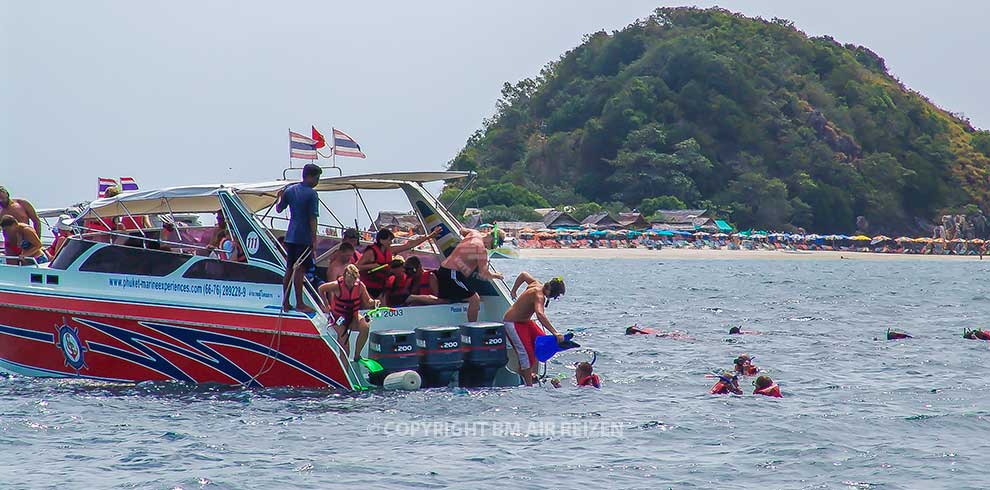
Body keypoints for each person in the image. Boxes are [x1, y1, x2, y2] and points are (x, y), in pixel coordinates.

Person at [503, 273, 566, 386]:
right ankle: (528, 385)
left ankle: (528, 372)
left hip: (525, 322)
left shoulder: (536, 283)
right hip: (512, 322)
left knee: (541, 342)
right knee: (526, 355)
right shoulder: (539, 296)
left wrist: (513, 291)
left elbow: (523, 275)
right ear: (551, 291)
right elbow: (540, 315)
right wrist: (555, 332)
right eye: (555, 296)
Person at [275, 163, 322, 313]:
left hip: (291, 235)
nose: (317, 181)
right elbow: (312, 218)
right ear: (310, 176)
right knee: (300, 269)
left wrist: (279, 197)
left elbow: (279, 208)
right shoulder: (312, 194)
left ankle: (285, 302)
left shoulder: (289, 190)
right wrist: (314, 240)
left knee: (289, 269)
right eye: (317, 177)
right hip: (303, 237)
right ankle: (300, 303)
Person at [437, 227, 505, 322]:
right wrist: (497, 275)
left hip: (443, 269)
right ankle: (472, 328)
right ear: (491, 238)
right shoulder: (481, 250)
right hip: (453, 273)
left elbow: (461, 230)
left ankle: (411, 298)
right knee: (475, 299)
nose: (494, 248)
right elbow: (483, 274)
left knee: (442, 300)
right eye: (495, 245)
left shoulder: (474, 233)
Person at [356, 227, 440, 299]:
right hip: (368, 287)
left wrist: (429, 236)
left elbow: (409, 245)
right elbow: (356, 267)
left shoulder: (390, 250)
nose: (391, 242)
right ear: (381, 240)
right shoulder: (371, 253)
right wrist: (372, 266)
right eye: (389, 240)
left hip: (381, 287)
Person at [318, 264, 377, 361]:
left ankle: (357, 355)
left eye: (353, 282)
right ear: (344, 277)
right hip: (338, 318)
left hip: (353, 315)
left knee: (365, 327)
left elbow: (368, 302)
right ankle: (345, 371)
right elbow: (321, 289)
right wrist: (326, 304)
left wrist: (374, 302)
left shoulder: (360, 286)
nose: (350, 285)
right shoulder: (336, 285)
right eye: (349, 282)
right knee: (345, 348)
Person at [0, 186, 42, 261]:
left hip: (26, 243)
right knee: (12, 268)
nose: (1, 201)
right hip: (10, 245)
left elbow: (36, 221)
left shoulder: (22, 204)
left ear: (6, 194)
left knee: (27, 264)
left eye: (2, 198)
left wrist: (37, 239)